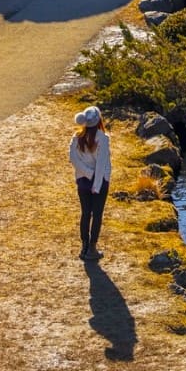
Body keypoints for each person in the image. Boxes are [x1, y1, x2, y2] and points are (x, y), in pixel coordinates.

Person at [69, 105, 112, 261]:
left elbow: (73, 158)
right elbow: (101, 164)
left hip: (82, 182)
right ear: (99, 120)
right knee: (97, 214)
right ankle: (92, 248)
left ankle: (84, 246)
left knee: (85, 213)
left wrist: (86, 173)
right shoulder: (103, 138)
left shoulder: (77, 137)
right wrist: (96, 183)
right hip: (99, 183)